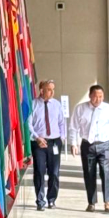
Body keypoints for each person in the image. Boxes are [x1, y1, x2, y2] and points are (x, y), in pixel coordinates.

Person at [68, 84, 109, 212]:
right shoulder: (80, 108)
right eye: (95, 96)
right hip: (88, 145)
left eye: (101, 96)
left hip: (104, 144)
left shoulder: (108, 109)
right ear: (90, 96)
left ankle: (107, 202)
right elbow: (73, 127)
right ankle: (91, 202)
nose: (98, 99)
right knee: (89, 173)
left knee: (105, 172)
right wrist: (73, 144)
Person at [28, 79, 65, 210]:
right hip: (39, 143)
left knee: (54, 172)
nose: (52, 92)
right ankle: (40, 201)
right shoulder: (33, 104)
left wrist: (62, 138)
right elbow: (29, 124)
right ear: (41, 90)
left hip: (54, 142)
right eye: (49, 89)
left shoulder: (57, 105)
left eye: (53, 89)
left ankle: (51, 199)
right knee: (39, 171)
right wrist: (37, 137)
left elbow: (61, 122)